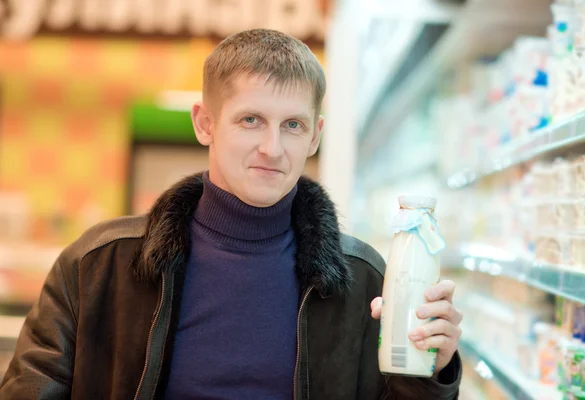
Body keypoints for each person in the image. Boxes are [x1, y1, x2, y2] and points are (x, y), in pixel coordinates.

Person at [0, 29, 462, 400]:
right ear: (205, 123)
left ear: (316, 136)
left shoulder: (364, 280)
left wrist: (432, 371)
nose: (272, 148)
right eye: (250, 120)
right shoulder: (98, 264)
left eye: (293, 125)